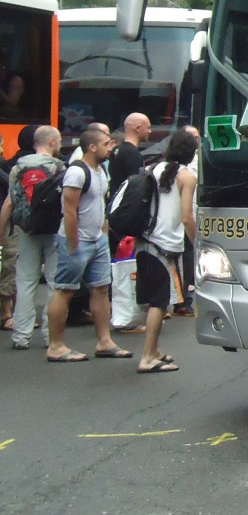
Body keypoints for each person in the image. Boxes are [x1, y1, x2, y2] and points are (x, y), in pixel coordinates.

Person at [45, 127, 128, 363]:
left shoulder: (101, 169)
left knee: (101, 288)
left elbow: (100, 202)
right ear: (92, 147)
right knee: (66, 289)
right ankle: (56, 346)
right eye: (106, 144)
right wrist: (73, 242)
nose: (110, 148)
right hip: (77, 240)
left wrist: (102, 232)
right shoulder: (76, 172)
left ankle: (105, 342)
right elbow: (69, 210)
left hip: (97, 240)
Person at [135, 129, 197, 374]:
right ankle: (148, 357)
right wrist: (198, 242)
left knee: (154, 301)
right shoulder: (187, 177)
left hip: (146, 239)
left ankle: (155, 350)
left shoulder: (155, 169)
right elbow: (186, 217)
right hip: (166, 244)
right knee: (160, 303)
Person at [2, 126, 63, 349]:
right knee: (55, 283)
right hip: (54, 230)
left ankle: (21, 336)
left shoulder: (18, 168)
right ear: (52, 142)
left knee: (25, 282)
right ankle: (50, 335)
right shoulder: (58, 167)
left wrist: (1, 233)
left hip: (26, 230)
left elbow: (9, 203)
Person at [0, 123, 37, 331]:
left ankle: (12, 311)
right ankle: (7, 313)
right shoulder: (16, 168)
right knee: (10, 264)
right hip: (12, 223)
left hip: (11, 222)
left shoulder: (11, 164)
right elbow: (9, 199)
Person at [172, 124, 201, 317]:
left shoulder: (200, 161)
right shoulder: (180, 172)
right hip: (178, 221)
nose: (197, 141)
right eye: (193, 138)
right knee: (182, 261)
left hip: (192, 215)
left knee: (187, 262)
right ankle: (181, 300)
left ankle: (183, 299)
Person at [108, 113, 151, 197]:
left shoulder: (117, 149)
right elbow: (136, 186)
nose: (150, 131)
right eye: (148, 128)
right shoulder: (132, 154)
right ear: (138, 128)